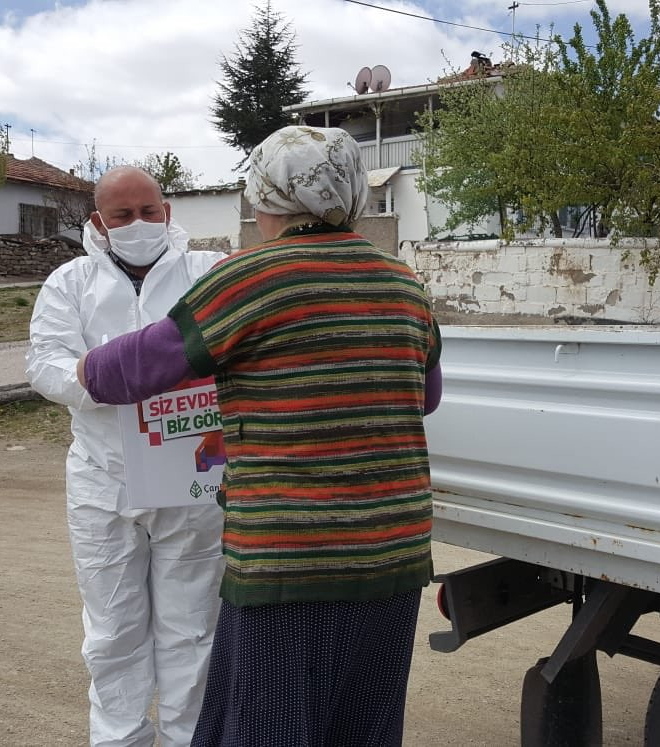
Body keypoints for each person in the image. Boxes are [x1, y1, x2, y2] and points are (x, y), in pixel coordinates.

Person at [76, 125, 443, 747]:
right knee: (363, 727)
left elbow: (128, 371)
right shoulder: (404, 284)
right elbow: (425, 397)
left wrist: (86, 365)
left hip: (288, 559)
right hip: (394, 556)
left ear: (265, 197)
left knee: (269, 727)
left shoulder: (250, 278)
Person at [25, 165, 227, 747]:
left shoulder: (208, 273)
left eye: (149, 211)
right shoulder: (70, 283)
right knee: (113, 629)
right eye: (123, 215)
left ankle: (189, 739)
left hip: (192, 478)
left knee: (191, 629)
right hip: (103, 482)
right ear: (98, 221)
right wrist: (106, 380)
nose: (139, 224)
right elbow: (45, 364)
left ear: (168, 213)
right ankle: (120, 739)